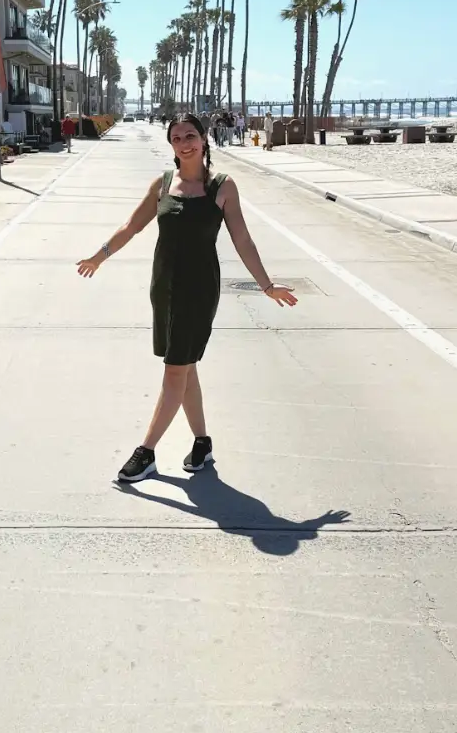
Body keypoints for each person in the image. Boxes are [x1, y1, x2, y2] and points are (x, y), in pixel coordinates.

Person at [77, 112, 297, 482]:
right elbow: (131, 226)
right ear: (172, 145)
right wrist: (99, 256)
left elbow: (242, 239)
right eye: (177, 138)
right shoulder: (163, 184)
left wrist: (266, 284)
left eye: (190, 135)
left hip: (198, 291)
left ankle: (145, 452)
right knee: (185, 365)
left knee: (175, 369)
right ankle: (202, 443)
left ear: (205, 138)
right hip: (163, 287)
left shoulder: (223, 187)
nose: (185, 143)